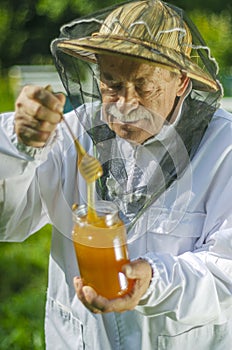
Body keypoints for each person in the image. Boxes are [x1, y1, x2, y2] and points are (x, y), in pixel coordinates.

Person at [1, 0, 232, 348]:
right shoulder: (73, 131)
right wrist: (18, 146)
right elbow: (9, 221)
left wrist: (154, 278)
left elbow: (225, 275)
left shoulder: (225, 149)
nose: (125, 103)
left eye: (144, 86)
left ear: (181, 81)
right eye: (111, 83)